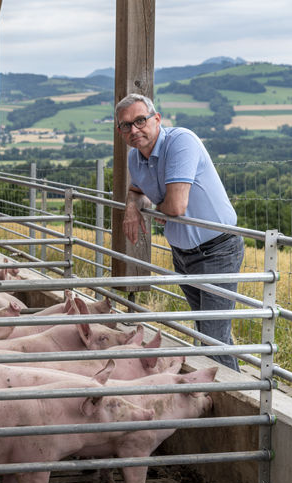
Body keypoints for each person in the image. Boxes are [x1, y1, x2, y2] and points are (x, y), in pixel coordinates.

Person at [115, 93, 244, 371]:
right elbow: (137, 190)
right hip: (184, 254)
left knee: (211, 337)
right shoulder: (135, 159)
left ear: (157, 119)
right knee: (209, 332)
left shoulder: (181, 142)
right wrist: (131, 207)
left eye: (140, 120)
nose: (134, 130)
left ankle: (233, 400)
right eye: (126, 125)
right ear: (120, 131)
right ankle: (235, 392)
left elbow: (175, 206)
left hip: (218, 249)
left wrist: (158, 207)